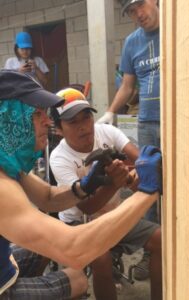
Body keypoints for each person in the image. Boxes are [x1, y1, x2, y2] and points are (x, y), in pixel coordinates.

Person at [0, 70, 163, 300]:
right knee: (77, 279)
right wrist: (147, 192)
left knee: (45, 253)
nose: (47, 122)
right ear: (9, 120)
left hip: (4, 265)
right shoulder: (2, 186)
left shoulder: (9, 166)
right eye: (37, 115)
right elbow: (74, 250)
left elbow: (48, 196)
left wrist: (84, 186)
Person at [50, 87, 162, 300]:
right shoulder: (59, 158)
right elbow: (85, 206)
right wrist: (113, 183)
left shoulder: (106, 132)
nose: (84, 127)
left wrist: (142, 168)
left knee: (161, 238)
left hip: (113, 215)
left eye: (86, 118)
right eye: (73, 122)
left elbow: (138, 159)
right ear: (58, 129)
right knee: (101, 258)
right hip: (79, 224)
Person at [97, 0, 160, 280]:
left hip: (180, 120)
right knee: (148, 186)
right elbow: (127, 84)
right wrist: (111, 112)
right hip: (147, 122)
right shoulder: (132, 42)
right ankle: (155, 250)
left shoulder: (176, 29)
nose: (139, 15)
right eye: (132, 12)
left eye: (141, 7)